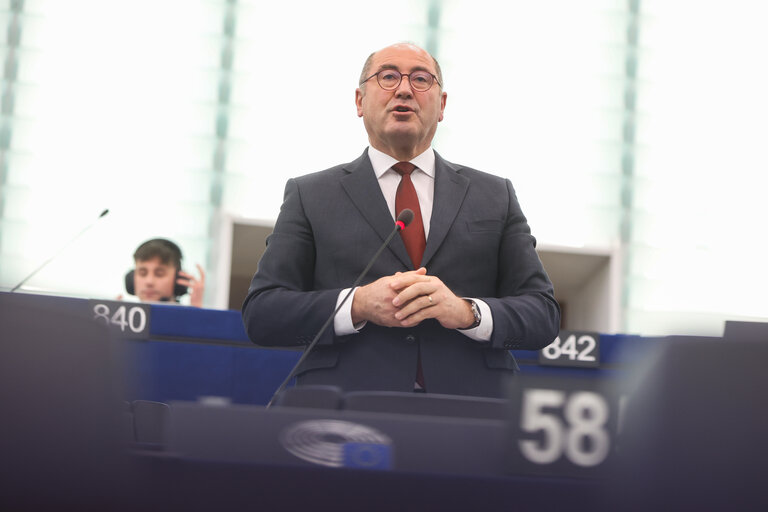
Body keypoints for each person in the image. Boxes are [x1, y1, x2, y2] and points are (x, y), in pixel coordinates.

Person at [242, 43, 560, 398]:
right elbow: (263, 313)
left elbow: (542, 313)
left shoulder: (495, 194)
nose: (405, 89)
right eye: (388, 76)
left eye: (421, 79)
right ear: (360, 101)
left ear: (441, 106)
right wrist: (358, 304)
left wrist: (466, 311)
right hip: (345, 408)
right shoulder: (310, 194)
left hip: (473, 410)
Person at [126, 238, 205, 308]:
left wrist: (196, 314)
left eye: (159, 274)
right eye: (142, 273)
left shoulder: (190, 319)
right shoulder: (121, 316)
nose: (149, 282)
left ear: (178, 279)